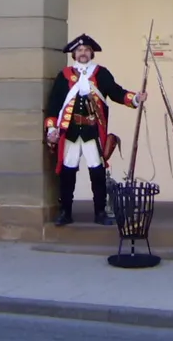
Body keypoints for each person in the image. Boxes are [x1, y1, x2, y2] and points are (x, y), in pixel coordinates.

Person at [44, 33, 146, 226]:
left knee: (97, 172)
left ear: (91, 53)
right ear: (74, 54)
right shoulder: (64, 76)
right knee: (67, 172)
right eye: (79, 50)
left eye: (86, 50)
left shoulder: (100, 73)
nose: (83, 53)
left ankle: (100, 212)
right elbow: (54, 105)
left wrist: (134, 98)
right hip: (71, 131)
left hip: (92, 131)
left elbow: (116, 92)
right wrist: (51, 129)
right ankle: (65, 212)